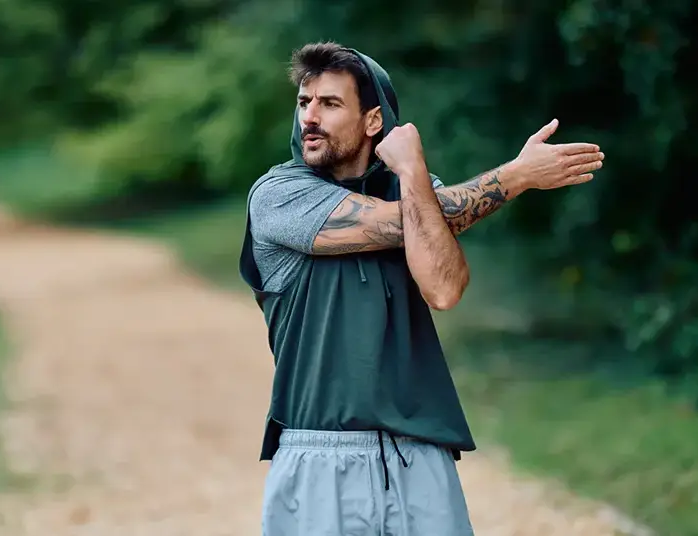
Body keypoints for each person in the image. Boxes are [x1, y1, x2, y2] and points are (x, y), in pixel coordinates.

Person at [238, 41, 604, 535]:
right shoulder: (279, 195)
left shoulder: (412, 191)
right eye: (305, 103)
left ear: (372, 122)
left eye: (330, 104)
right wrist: (516, 176)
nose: (309, 118)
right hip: (318, 450)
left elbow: (445, 290)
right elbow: (391, 224)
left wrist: (411, 172)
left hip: (419, 452)